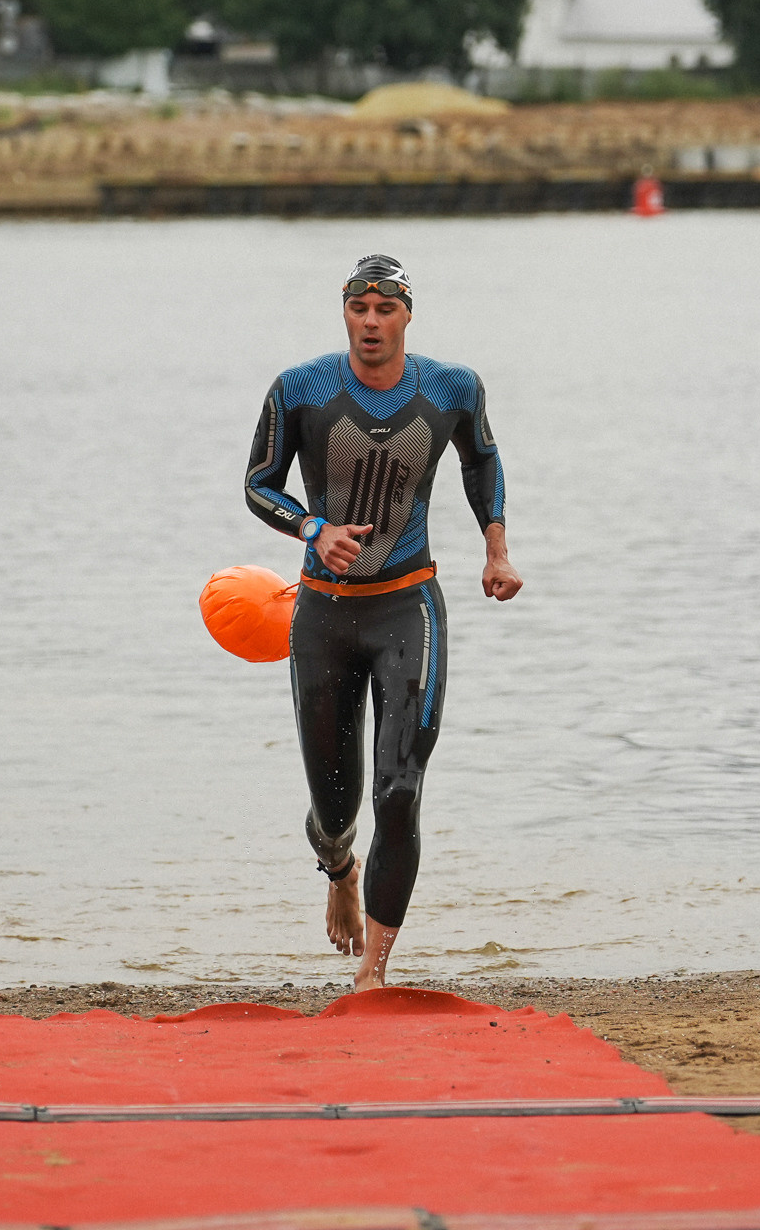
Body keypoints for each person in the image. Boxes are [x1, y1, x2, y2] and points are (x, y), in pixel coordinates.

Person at [244, 254, 520, 990]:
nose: (371, 322)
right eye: (359, 308)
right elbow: (257, 485)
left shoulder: (453, 389)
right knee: (335, 808)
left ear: (407, 315)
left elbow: (482, 462)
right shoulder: (299, 389)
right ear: (345, 313)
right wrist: (311, 529)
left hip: (409, 606)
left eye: (385, 309)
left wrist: (496, 548)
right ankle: (338, 866)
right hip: (322, 617)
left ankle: (374, 973)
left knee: (399, 787)